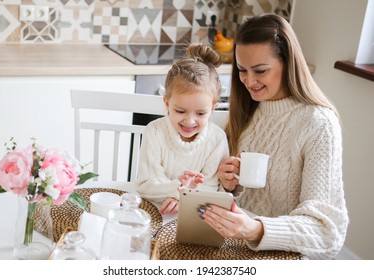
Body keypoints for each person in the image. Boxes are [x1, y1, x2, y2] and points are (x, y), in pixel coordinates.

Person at [198, 13, 349, 259]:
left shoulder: (319, 124)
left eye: (260, 70)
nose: (248, 81)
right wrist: (229, 186)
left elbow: (327, 233)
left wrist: (256, 229)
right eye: (241, 70)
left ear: (288, 63)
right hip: (235, 249)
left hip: (284, 257)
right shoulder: (246, 113)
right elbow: (236, 199)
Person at [135, 43, 229, 215]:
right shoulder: (154, 131)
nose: (189, 120)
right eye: (180, 111)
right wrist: (178, 189)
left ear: (213, 108)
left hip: (192, 214)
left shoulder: (217, 139)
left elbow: (211, 187)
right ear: (167, 103)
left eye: (200, 113)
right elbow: (145, 184)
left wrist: (183, 198)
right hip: (151, 211)